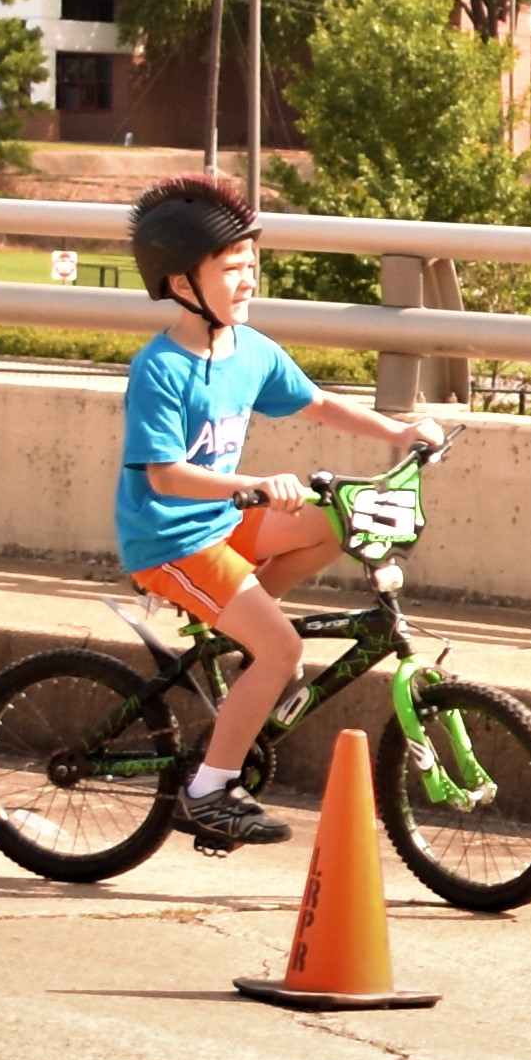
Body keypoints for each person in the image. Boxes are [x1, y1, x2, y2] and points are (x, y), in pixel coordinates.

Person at [115, 175, 448, 849]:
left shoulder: (251, 349)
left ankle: (242, 625)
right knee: (284, 648)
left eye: (251, 265)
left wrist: (399, 432)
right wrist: (256, 484)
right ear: (182, 285)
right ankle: (209, 791)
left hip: (225, 524)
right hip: (171, 539)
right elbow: (165, 476)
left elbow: (318, 403)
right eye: (232, 269)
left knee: (336, 519)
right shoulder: (161, 368)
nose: (248, 281)